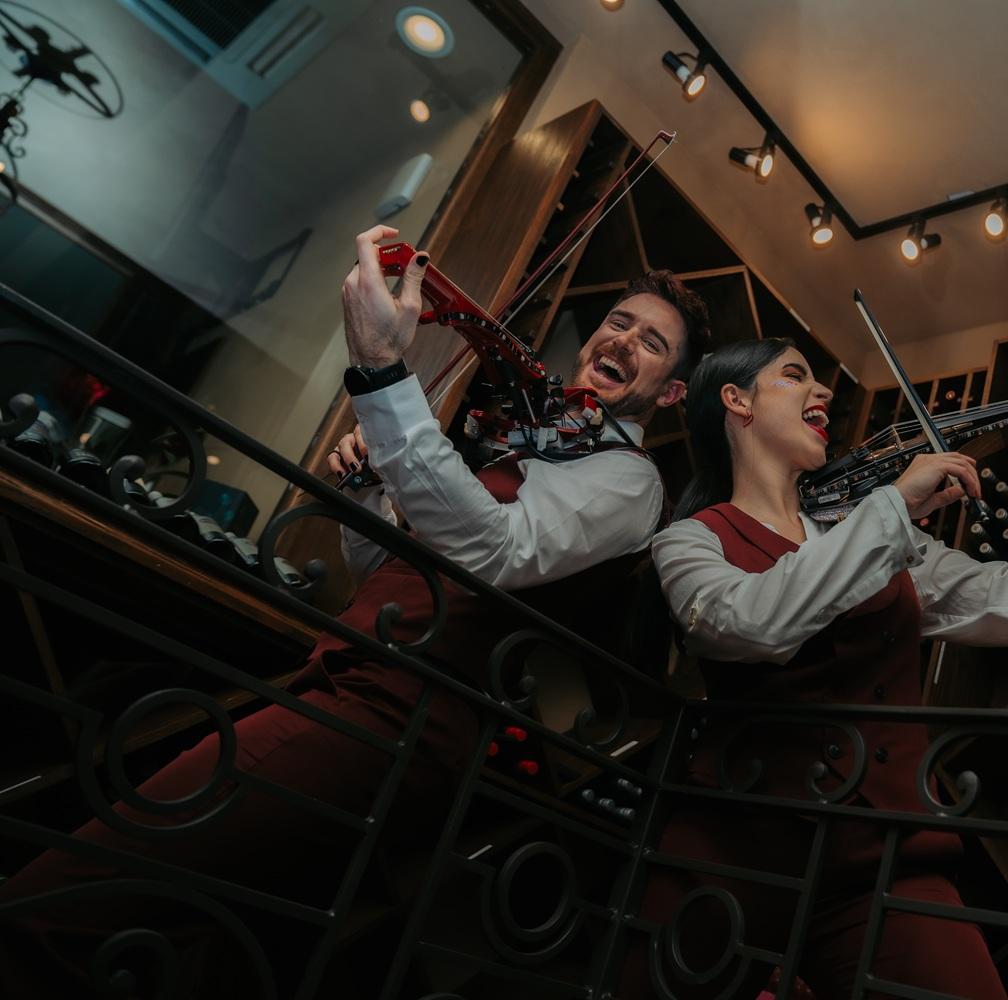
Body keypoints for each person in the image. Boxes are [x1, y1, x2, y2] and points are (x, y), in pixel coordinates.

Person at [0, 224, 710, 997]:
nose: (623, 340)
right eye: (618, 322)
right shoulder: (532, 447)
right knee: (193, 936)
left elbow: (494, 552)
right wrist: (370, 496)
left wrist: (381, 375)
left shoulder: (629, 481)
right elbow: (395, 574)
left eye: (653, 343)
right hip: (350, 678)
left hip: (401, 714)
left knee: (77, 887)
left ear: (672, 392)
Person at [629, 337, 1008, 999]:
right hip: (731, 850)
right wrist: (890, 509)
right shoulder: (691, 540)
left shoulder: (877, 535)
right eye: (795, 375)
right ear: (736, 401)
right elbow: (750, 624)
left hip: (883, 854)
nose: (823, 391)